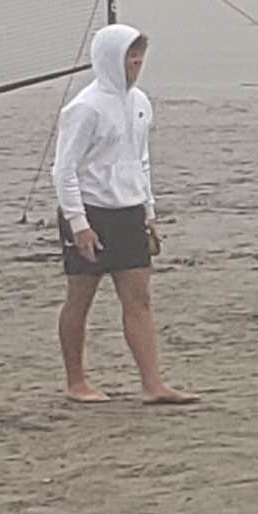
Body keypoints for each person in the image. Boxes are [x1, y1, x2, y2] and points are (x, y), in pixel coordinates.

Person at [53, 22, 193, 404]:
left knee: (138, 297)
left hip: (128, 210)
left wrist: (148, 210)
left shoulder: (140, 103)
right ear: (110, 59)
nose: (135, 65)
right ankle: (75, 381)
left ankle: (153, 384)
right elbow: (63, 170)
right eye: (130, 58)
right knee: (80, 297)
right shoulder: (84, 108)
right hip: (90, 211)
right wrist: (79, 225)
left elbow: (140, 159)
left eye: (139, 58)